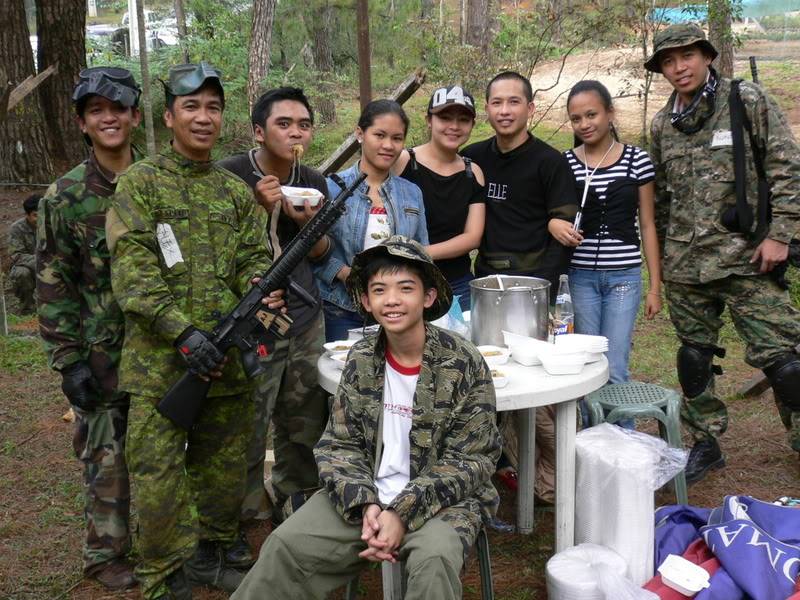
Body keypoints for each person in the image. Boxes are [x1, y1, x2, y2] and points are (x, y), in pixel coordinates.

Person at [232, 236, 501, 600]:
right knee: (284, 545)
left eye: (406, 288)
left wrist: (401, 512)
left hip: (443, 501)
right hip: (365, 496)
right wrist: (367, 503)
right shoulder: (360, 359)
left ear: (428, 297)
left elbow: (472, 459)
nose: (392, 299)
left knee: (433, 558)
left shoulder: (463, 361)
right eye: (379, 289)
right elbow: (339, 445)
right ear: (366, 300)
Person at [106, 62, 284, 600]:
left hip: (226, 361)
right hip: (161, 367)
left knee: (224, 469)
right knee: (158, 477)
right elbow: (132, 272)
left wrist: (262, 283)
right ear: (168, 116)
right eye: (191, 107)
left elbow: (252, 258)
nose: (203, 118)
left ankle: (215, 551)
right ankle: (161, 575)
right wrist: (182, 333)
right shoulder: (140, 183)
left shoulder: (235, 191)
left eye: (212, 107)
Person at [646, 23, 800, 483]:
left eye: (686, 56)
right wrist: (664, 265)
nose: (679, 68)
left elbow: (787, 169)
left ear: (706, 55)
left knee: (786, 362)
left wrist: (781, 235)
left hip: (748, 257)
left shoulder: (745, 100)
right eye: (668, 61)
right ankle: (706, 442)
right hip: (686, 265)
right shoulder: (662, 124)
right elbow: (662, 199)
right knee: (694, 360)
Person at [36, 67, 142, 591]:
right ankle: (105, 554)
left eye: (117, 108)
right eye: (96, 110)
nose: (109, 118)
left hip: (158, 349)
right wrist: (69, 361)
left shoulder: (156, 182)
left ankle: (166, 540)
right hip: (100, 353)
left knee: (162, 450)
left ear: (135, 116)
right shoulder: (65, 196)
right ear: (82, 122)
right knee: (106, 458)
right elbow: (53, 283)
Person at [217, 87, 331, 555]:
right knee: (248, 420)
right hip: (249, 323)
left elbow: (323, 253)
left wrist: (303, 221)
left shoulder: (314, 180)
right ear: (259, 131)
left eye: (303, 124)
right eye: (284, 124)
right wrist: (259, 210)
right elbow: (219, 251)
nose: (295, 132)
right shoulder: (229, 176)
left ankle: (294, 497)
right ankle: (244, 515)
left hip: (303, 316)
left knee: (303, 418)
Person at [462, 71, 579, 504]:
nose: (505, 111)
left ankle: (554, 478)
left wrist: (543, 295)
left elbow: (563, 236)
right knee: (492, 381)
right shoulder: (473, 158)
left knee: (541, 390)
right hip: (485, 287)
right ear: (487, 109)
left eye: (514, 102)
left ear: (530, 108)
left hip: (534, 290)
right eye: (496, 103)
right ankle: (503, 464)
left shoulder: (551, 162)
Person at [561, 80, 662, 389]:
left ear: (610, 113)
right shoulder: (565, 164)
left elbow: (647, 224)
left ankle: (620, 435)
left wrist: (655, 286)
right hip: (580, 277)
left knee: (615, 364)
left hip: (624, 278)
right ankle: (590, 436)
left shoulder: (637, 161)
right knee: (588, 362)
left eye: (591, 115)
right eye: (576, 118)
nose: (585, 124)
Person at [313, 99, 429, 342]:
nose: (388, 145)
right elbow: (312, 250)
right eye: (379, 135)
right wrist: (345, 274)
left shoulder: (411, 193)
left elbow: (421, 252)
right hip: (342, 308)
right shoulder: (331, 188)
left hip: (398, 309)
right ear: (360, 134)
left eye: (397, 138)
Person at [393, 85, 486, 312]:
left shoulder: (472, 172)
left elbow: (472, 237)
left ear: (472, 125)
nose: (454, 126)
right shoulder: (403, 162)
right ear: (429, 120)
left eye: (463, 120)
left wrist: (420, 252)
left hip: (457, 284)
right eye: (445, 117)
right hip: (404, 282)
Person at [7, 194, 39, 314]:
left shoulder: (51, 225)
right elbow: (16, 255)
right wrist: (39, 262)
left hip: (50, 263)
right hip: (28, 266)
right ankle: (28, 309)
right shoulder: (16, 229)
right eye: (35, 215)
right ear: (27, 215)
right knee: (21, 273)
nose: (39, 218)